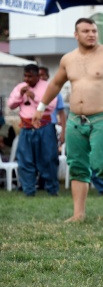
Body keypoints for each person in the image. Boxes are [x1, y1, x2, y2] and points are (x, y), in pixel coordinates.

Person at [33, 17, 103, 222]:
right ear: (76, 35)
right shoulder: (68, 59)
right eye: (86, 31)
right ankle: (78, 213)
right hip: (76, 119)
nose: (91, 34)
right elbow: (55, 84)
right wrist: (40, 108)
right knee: (77, 165)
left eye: (94, 30)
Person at [8, 64, 59, 196]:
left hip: (44, 127)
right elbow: (11, 105)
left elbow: (51, 106)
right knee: (25, 160)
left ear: (38, 76)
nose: (27, 79)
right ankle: (29, 190)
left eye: (30, 76)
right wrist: (20, 95)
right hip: (26, 128)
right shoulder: (20, 87)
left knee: (48, 159)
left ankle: (52, 189)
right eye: (25, 76)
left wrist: (34, 98)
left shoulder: (47, 86)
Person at [38, 67, 67, 147]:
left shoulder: (55, 93)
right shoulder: (31, 92)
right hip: (35, 126)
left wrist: (63, 133)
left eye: (42, 75)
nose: (41, 78)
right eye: (38, 75)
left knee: (49, 155)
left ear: (47, 76)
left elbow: (62, 113)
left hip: (49, 126)